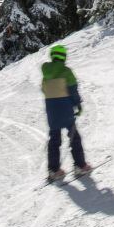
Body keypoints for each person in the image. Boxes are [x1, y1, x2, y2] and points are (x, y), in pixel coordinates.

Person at [40, 45, 92, 182]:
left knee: (54, 140)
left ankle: (53, 170)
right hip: (66, 110)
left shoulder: (45, 74)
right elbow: (73, 90)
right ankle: (80, 166)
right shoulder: (66, 71)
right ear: (63, 57)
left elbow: (44, 90)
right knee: (74, 137)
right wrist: (78, 105)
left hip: (51, 112)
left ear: (52, 56)